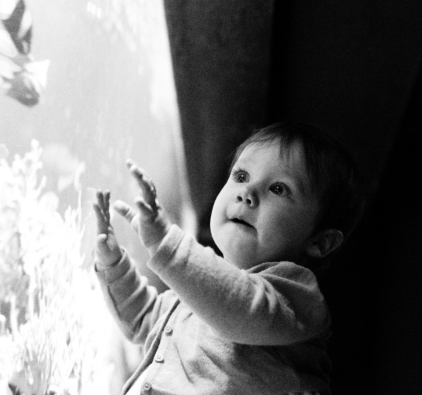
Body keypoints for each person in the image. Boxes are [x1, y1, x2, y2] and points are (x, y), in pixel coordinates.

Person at [92, 121, 364, 394]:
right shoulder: (196, 290)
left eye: (278, 189)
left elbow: (242, 309)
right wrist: (113, 265)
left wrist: (167, 243)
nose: (247, 193)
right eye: (242, 176)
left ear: (319, 241)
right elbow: (143, 319)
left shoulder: (297, 295)